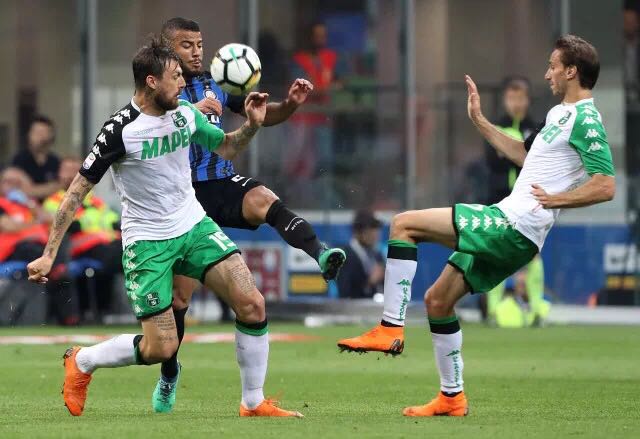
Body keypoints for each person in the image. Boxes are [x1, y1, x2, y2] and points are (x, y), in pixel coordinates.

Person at [337, 35, 615, 416]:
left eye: (553, 66)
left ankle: (389, 328)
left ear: (571, 71)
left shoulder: (586, 118)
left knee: (403, 224)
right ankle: (452, 398)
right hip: (515, 227)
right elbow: (523, 155)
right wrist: (480, 121)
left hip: (512, 224)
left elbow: (606, 184)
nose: (547, 73)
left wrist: (558, 200)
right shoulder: (557, 115)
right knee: (438, 301)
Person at [27, 38, 303, 418]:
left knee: (252, 303)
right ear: (152, 81)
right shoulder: (119, 130)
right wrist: (49, 254)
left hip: (193, 226)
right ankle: (83, 360)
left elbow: (225, 147)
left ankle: (253, 402)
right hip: (148, 244)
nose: (183, 83)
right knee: (161, 348)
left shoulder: (184, 113)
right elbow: (75, 193)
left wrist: (252, 126)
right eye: (176, 77)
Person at [157, 17, 345, 413]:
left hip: (221, 182)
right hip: (182, 195)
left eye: (199, 44)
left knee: (264, 199)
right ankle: (169, 373)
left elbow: (260, 113)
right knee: (179, 297)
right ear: (168, 48)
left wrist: (288, 106)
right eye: (187, 45)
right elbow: (153, 121)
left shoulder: (216, 83)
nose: (196, 52)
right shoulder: (158, 87)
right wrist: (192, 109)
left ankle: (321, 253)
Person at [43, 157, 122, 322]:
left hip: (105, 245)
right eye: (67, 170)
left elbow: (113, 221)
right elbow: (69, 226)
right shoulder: (54, 201)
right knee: (124, 257)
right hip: (77, 248)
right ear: (59, 174)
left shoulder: (95, 201)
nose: (71, 175)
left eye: (75, 170)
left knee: (130, 250)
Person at [11, 116, 62, 200]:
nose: (40, 137)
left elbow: (61, 187)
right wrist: (50, 188)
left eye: (44, 132)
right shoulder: (19, 159)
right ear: (29, 134)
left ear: (51, 136)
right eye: (37, 132)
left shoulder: (55, 161)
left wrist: (34, 189)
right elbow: (20, 190)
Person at [337, 210, 385, 298]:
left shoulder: (377, 255)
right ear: (358, 231)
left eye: (376, 228)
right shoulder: (345, 256)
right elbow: (345, 293)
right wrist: (369, 283)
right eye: (371, 228)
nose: (375, 233)